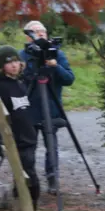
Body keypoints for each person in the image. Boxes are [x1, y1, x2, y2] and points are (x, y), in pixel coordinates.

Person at [0, 45, 44, 211]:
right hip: (16, 142)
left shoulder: (19, 84)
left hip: (29, 140)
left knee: (28, 182)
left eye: (16, 61)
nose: (13, 65)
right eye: (9, 62)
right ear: (2, 65)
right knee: (28, 181)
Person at [20, 20, 75, 195]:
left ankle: (52, 178)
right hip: (30, 108)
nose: (40, 35)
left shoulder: (57, 54)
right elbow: (20, 80)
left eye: (42, 31)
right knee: (28, 145)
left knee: (52, 146)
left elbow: (69, 79)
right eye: (35, 32)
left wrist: (54, 66)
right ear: (28, 37)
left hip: (50, 108)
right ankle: (28, 179)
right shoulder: (23, 55)